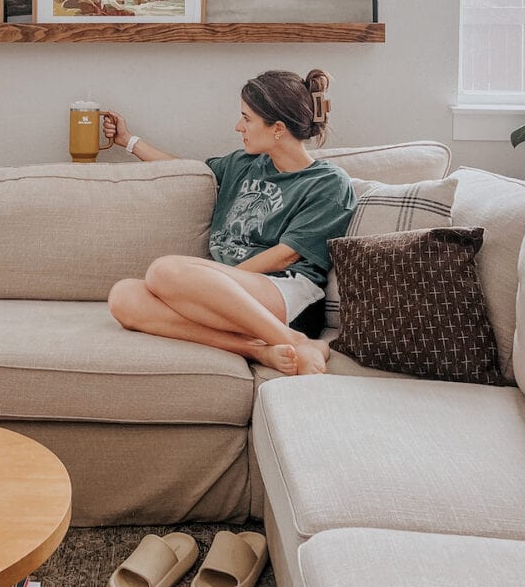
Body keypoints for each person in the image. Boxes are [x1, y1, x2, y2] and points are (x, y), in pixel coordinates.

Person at [103, 69, 355, 377]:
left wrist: (214, 281)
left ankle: (294, 339)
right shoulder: (242, 164)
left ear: (277, 128)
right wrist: (127, 141)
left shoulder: (328, 183)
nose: (239, 127)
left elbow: (287, 254)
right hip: (227, 288)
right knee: (124, 296)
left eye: (247, 119)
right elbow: (185, 170)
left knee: (163, 270)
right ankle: (259, 350)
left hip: (285, 292)